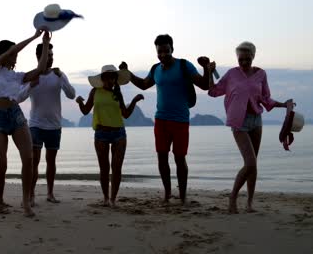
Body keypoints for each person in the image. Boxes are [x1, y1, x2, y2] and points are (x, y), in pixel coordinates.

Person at [120, 34, 211, 204]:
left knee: (179, 158)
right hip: (161, 120)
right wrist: (128, 73)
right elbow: (144, 84)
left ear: (172, 49)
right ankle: (168, 193)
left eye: (166, 51)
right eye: (159, 52)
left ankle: (183, 196)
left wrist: (206, 68)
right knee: (162, 157)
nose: (163, 55)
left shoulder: (184, 65)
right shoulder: (156, 69)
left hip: (181, 120)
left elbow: (204, 85)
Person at [207, 41, 294, 213]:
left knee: (254, 165)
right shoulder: (232, 74)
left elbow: (266, 98)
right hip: (239, 121)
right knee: (250, 163)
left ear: (253, 57)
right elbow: (213, 91)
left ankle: (249, 203)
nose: (244, 63)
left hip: (256, 120)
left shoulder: (261, 74)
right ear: (237, 58)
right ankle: (232, 197)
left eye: (248, 59)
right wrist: (209, 73)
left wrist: (284, 105)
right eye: (241, 59)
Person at [0, 29, 51, 217]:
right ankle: (0, 202)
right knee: (1, 165)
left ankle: (26, 201)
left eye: (16, 55)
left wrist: (43, 44)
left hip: (15, 116)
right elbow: (10, 52)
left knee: (29, 159)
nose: (15, 57)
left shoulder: (16, 76)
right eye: (14, 54)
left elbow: (41, 70)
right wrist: (33, 36)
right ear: (3, 54)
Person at [76, 65, 144, 207]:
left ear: (115, 79)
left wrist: (134, 101)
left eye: (112, 77)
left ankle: (113, 199)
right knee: (104, 168)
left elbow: (125, 114)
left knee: (117, 168)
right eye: (107, 77)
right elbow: (85, 111)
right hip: (101, 134)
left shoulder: (117, 94)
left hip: (119, 133)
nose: (110, 80)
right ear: (102, 79)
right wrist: (79, 102)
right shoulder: (95, 92)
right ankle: (106, 198)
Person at [29, 42, 76, 206]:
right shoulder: (32, 76)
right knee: (34, 161)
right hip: (35, 124)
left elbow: (71, 95)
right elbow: (19, 93)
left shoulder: (58, 75)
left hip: (54, 125)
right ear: (38, 57)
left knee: (51, 161)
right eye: (46, 56)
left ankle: (49, 193)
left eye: (51, 56)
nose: (49, 59)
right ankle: (31, 195)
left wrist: (62, 77)